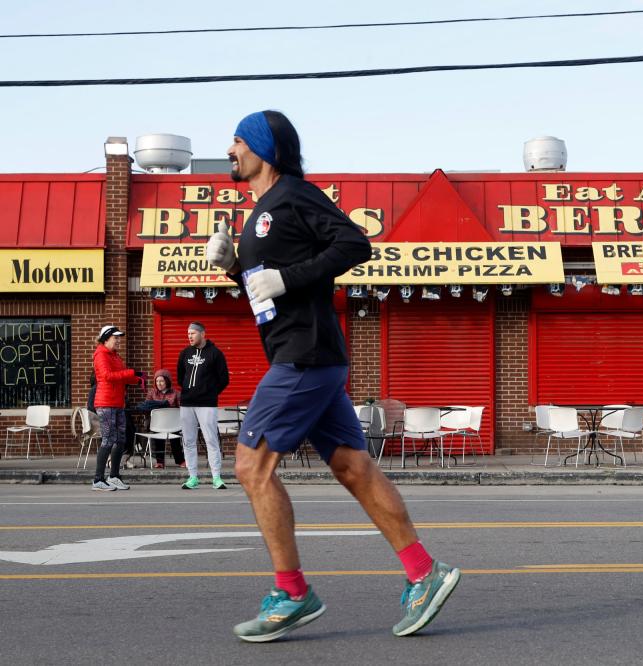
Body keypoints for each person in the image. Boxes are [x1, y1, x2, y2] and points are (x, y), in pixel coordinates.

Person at [205, 110, 460, 643]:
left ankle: (292, 593)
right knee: (353, 468)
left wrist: (286, 276)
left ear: (262, 148)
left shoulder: (294, 194)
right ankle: (423, 572)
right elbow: (269, 285)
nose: (229, 150)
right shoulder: (263, 211)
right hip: (309, 357)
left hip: (303, 357)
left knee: (251, 466)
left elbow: (353, 244)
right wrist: (233, 267)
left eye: (236, 141)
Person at [176, 322, 230, 489]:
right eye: (188, 334)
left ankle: (216, 478)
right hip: (187, 404)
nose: (189, 336)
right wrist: (188, 391)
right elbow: (180, 377)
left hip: (207, 404)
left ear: (202, 334)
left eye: (192, 333)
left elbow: (224, 379)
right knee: (189, 441)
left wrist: (210, 392)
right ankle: (192, 477)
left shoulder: (215, 353)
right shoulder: (185, 353)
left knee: (211, 440)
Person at [91, 325, 143, 491]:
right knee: (108, 440)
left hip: (118, 403)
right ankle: (98, 480)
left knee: (120, 440)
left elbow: (121, 377)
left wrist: (137, 378)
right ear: (106, 338)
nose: (118, 340)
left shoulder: (115, 356)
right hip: (106, 404)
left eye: (119, 337)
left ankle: (114, 476)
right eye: (116, 337)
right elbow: (107, 376)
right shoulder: (101, 355)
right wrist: (129, 373)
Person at [139, 369, 184, 468]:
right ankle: (160, 461)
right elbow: (145, 408)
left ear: (167, 381)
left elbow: (182, 408)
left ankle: (180, 460)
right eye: (157, 381)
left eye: (162, 381)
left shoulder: (176, 393)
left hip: (173, 424)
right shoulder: (152, 393)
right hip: (157, 424)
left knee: (175, 439)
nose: (159, 383)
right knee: (157, 436)